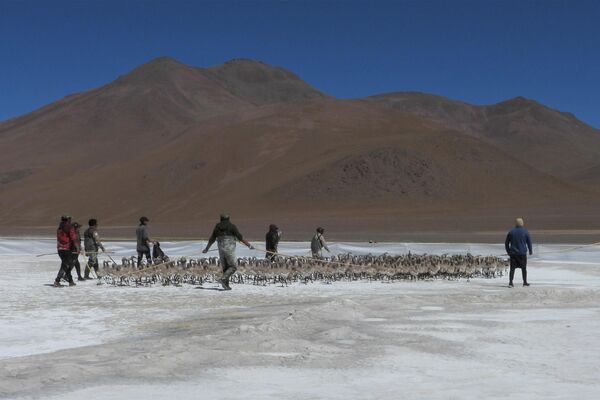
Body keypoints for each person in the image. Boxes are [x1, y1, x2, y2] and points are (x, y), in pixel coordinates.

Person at [202, 214, 254, 290]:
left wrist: (206, 249)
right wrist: (249, 245)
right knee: (233, 266)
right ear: (228, 219)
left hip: (221, 249)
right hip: (230, 249)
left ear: (221, 219)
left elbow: (212, 238)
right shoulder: (232, 226)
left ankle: (226, 286)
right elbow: (240, 237)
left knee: (225, 268)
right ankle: (223, 279)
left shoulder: (217, 227)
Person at [505, 217, 533, 287]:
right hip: (522, 254)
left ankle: (511, 283)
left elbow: (506, 243)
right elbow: (529, 242)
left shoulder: (511, 231)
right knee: (524, 269)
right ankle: (525, 282)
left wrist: (508, 251)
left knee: (512, 269)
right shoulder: (525, 231)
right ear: (522, 223)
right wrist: (530, 250)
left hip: (513, 254)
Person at [53, 215, 79, 287]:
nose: (70, 220)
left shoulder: (59, 228)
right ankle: (57, 281)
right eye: (70, 219)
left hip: (60, 249)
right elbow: (73, 238)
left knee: (65, 265)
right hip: (67, 249)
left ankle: (70, 281)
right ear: (68, 220)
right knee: (65, 265)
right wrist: (77, 248)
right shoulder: (69, 227)